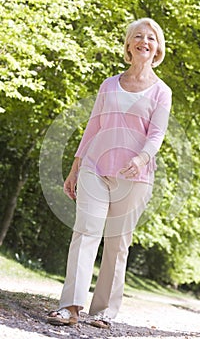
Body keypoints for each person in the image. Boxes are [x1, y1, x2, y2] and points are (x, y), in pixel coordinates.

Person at [47, 17, 172, 328]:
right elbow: (93, 128)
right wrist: (75, 167)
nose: (145, 41)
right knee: (86, 232)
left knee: (117, 242)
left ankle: (103, 310)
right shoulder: (109, 84)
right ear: (129, 45)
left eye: (151, 38)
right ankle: (70, 307)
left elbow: (156, 134)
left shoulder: (161, 92)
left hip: (134, 177)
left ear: (157, 48)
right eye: (139, 36)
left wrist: (142, 159)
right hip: (95, 168)